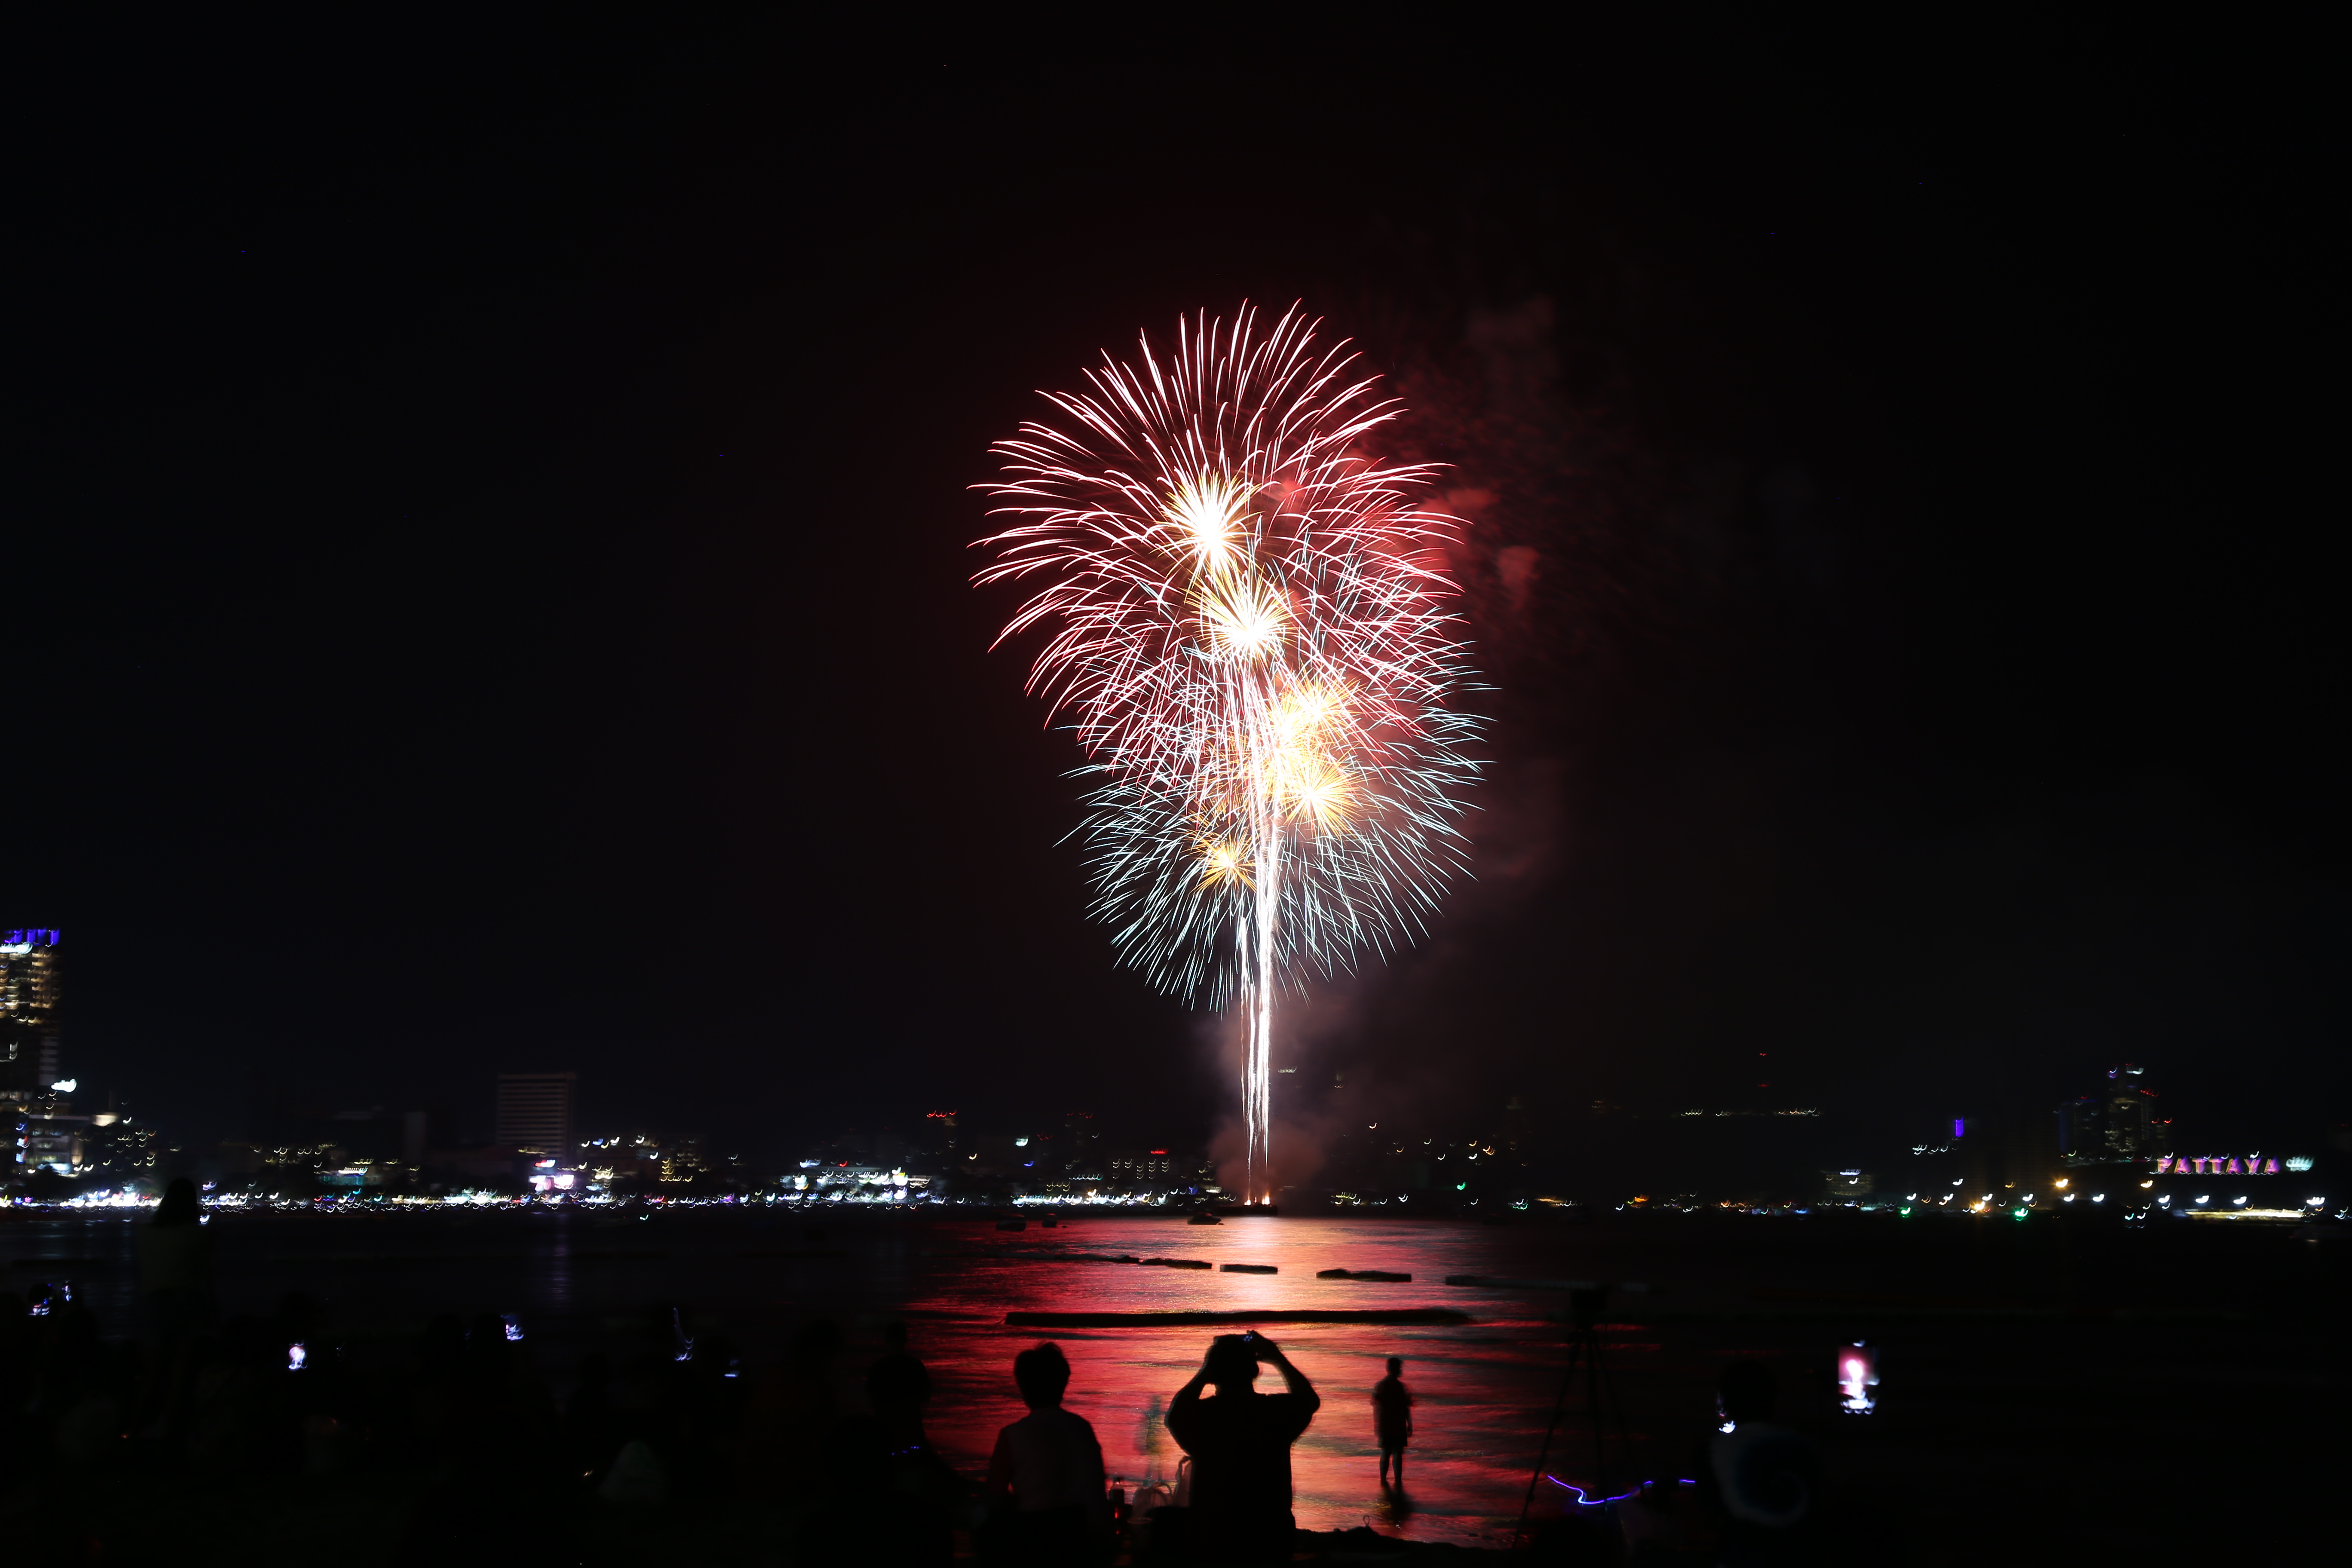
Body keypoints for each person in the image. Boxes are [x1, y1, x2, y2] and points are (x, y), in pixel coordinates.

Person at [1164, 1331, 1319, 1562]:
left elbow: (1175, 1416)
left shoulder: (1204, 1417)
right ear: (1254, 1371)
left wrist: (1207, 1371)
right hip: (1270, 1541)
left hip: (1215, 1540)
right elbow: (1309, 1401)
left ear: (1214, 1374)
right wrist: (1277, 1357)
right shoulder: (1274, 1413)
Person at [982, 1342, 1109, 1565]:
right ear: (1062, 1384)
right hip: (1082, 1540)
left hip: (1035, 1542)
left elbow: (995, 1496)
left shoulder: (1012, 1436)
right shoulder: (1082, 1428)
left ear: (1023, 1386)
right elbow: (1097, 1487)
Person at [1693, 1362, 1820, 1567]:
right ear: (1772, 1400)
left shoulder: (1710, 1451)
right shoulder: (1803, 1445)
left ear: (1726, 1402)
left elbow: (1708, 1516)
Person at [867, 1319, 933, 1451]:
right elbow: (926, 1397)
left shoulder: (878, 1367)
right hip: (911, 1431)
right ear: (905, 1341)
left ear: (886, 1341)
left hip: (885, 1431)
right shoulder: (916, 1366)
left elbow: (871, 1400)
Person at [1372, 1356, 1412, 1488]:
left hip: (1386, 1424)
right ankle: (1397, 1482)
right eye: (1399, 1367)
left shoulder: (1381, 1385)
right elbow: (1405, 1406)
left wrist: (1377, 1424)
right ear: (1394, 1369)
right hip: (1397, 1424)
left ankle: (1384, 1481)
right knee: (1397, 1454)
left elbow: (1376, 1404)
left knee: (1386, 1453)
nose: (1401, 1370)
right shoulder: (1400, 1387)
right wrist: (1409, 1424)